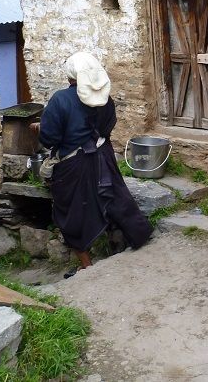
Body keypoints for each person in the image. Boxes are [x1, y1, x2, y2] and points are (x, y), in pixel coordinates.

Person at [34, 52, 151, 274]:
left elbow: (49, 139)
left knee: (71, 211)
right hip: (103, 155)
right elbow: (107, 127)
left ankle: (87, 265)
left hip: (74, 165)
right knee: (115, 197)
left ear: (71, 77)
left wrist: (41, 128)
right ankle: (138, 235)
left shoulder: (60, 100)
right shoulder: (106, 100)